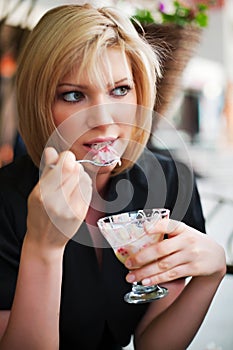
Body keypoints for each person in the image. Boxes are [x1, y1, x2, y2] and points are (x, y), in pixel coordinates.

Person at [0, 4, 226, 350]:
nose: (105, 121)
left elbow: (153, 343)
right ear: (39, 103)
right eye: (73, 95)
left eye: (120, 90)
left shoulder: (170, 181)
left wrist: (209, 277)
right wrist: (43, 248)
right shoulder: (5, 201)